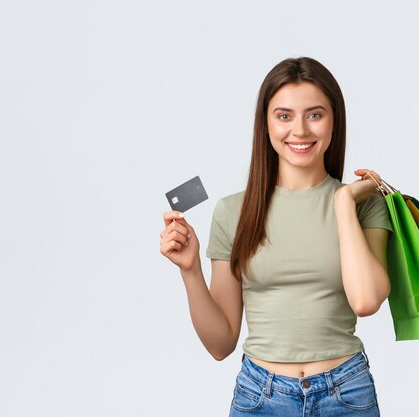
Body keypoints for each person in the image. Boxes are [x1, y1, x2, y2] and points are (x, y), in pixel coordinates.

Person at [159, 57, 393, 416]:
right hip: (261, 395)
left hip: (346, 393)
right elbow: (221, 344)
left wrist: (344, 202)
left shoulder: (365, 206)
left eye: (315, 114)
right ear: (265, 125)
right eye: (284, 116)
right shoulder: (233, 212)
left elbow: (366, 301)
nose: (299, 130)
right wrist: (189, 271)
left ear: (334, 122)